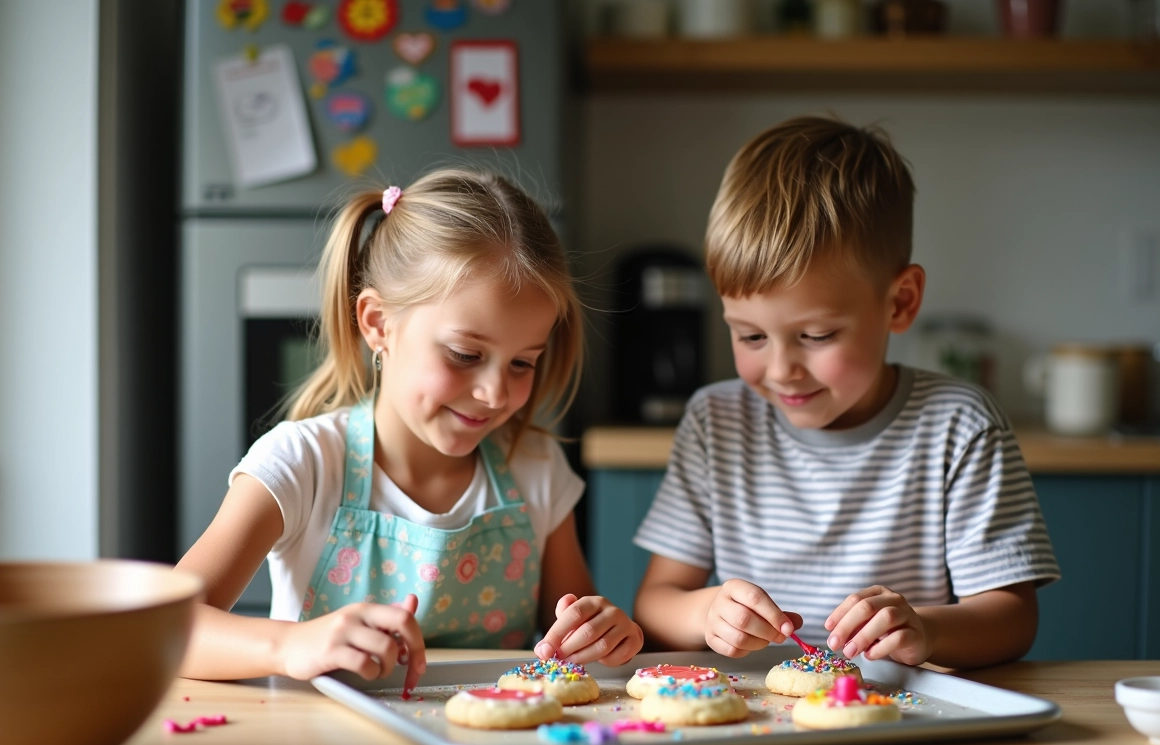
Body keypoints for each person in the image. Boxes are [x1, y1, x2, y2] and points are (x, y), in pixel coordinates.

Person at [176, 169, 642, 690]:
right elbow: (164, 628)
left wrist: (600, 636)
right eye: (465, 355)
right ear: (378, 323)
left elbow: (577, 641)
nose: (493, 393)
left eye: (522, 363)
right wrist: (288, 645)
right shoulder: (301, 464)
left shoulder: (536, 469)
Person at [631, 116, 1060, 670]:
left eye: (816, 336)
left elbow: (1011, 617)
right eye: (751, 335)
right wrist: (706, 612)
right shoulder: (717, 422)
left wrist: (926, 630)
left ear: (900, 302)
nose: (782, 369)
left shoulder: (959, 426)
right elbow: (655, 600)